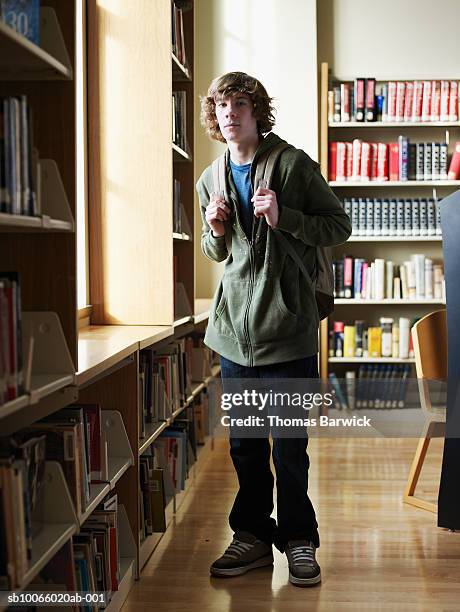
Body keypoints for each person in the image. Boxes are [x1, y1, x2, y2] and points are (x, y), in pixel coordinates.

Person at [196, 71, 351, 587]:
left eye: (240, 103)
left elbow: (337, 226)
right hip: (233, 334)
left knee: (288, 445)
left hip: (286, 330)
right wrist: (215, 232)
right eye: (221, 106)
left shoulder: (291, 164)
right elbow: (217, 253)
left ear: (258, 112)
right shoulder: (210, 178)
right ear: (214, 117)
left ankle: (300, 540)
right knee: (244, 444)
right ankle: (254, 538)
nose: (230, 113)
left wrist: (285, 217)